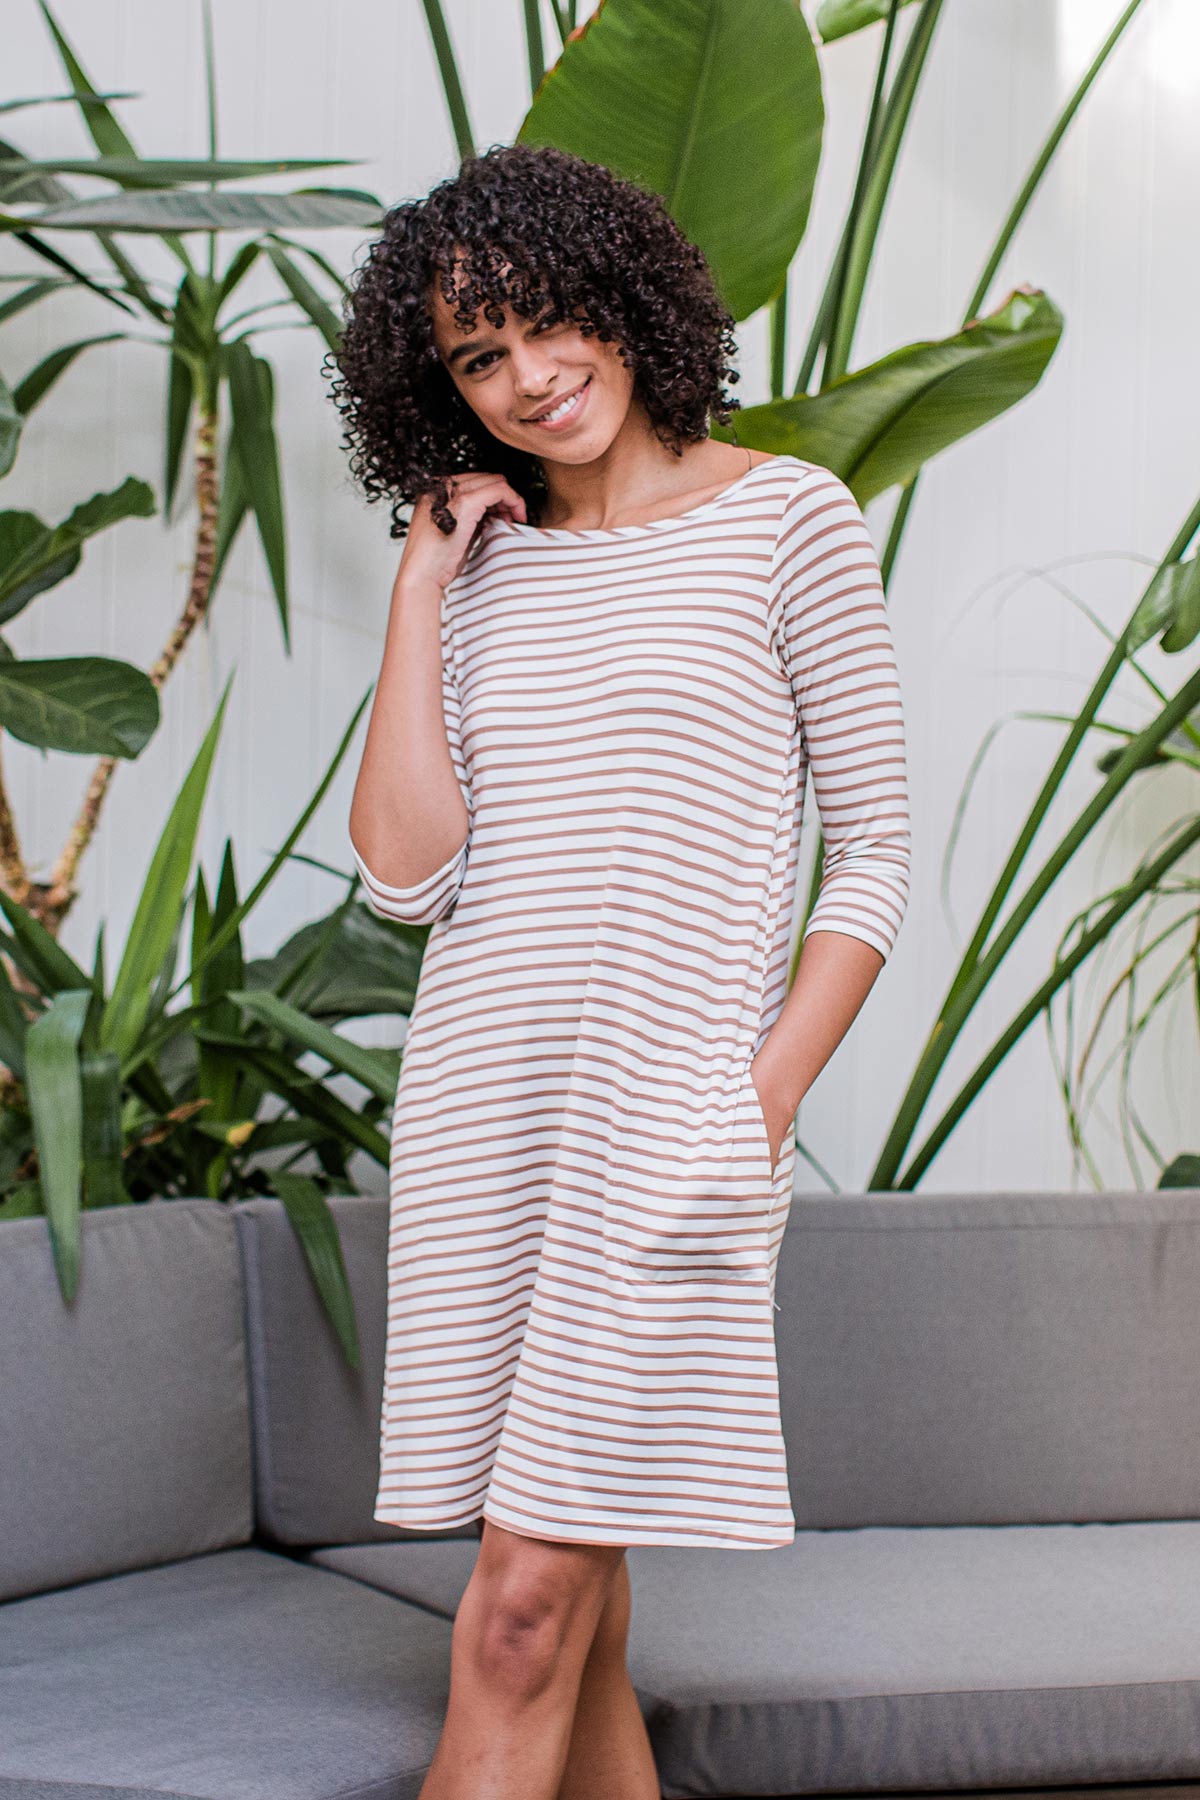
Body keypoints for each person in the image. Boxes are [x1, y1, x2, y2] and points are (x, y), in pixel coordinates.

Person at [329, 140, 912, 1800]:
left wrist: (760, 1104)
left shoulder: (790, 519)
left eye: (545, 323)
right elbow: (405, 869)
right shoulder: (484, 565)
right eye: (477, 358)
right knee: (575, 1632)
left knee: (516, 1616)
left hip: (671, 1136)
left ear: (624, 297)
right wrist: (424, 579)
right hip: (480, 1124)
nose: (528, 378)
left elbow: (874, 852)